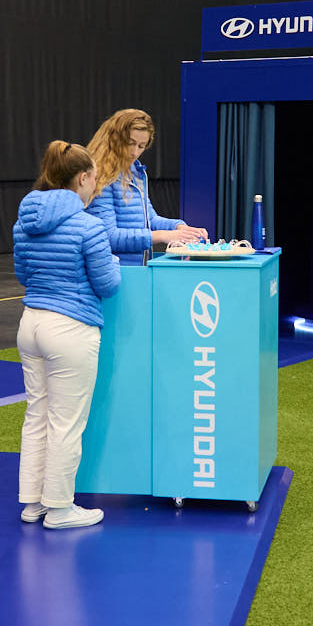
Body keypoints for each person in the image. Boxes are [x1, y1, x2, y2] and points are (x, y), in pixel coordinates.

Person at [12, 141, 122, 528]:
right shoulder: (88, 226)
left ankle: (32, 504)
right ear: (83, 178)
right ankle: (59, 508)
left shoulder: (24, 221)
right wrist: (110, 260)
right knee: (66, 422)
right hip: (71, 328)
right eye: (94, 178)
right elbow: (108, 285)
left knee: (37, 415)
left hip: (32, 325)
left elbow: (23, 276)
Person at [86, 108, 205, 263]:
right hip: (111, 270)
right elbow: (108, 236)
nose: (135, 152)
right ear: (114, 138)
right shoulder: (99, 175)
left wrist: (179, 228)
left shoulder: (136, 172)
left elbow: (150, 220)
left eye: (141, 146)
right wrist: (161, 236)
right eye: (130, 143)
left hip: (135, 269)